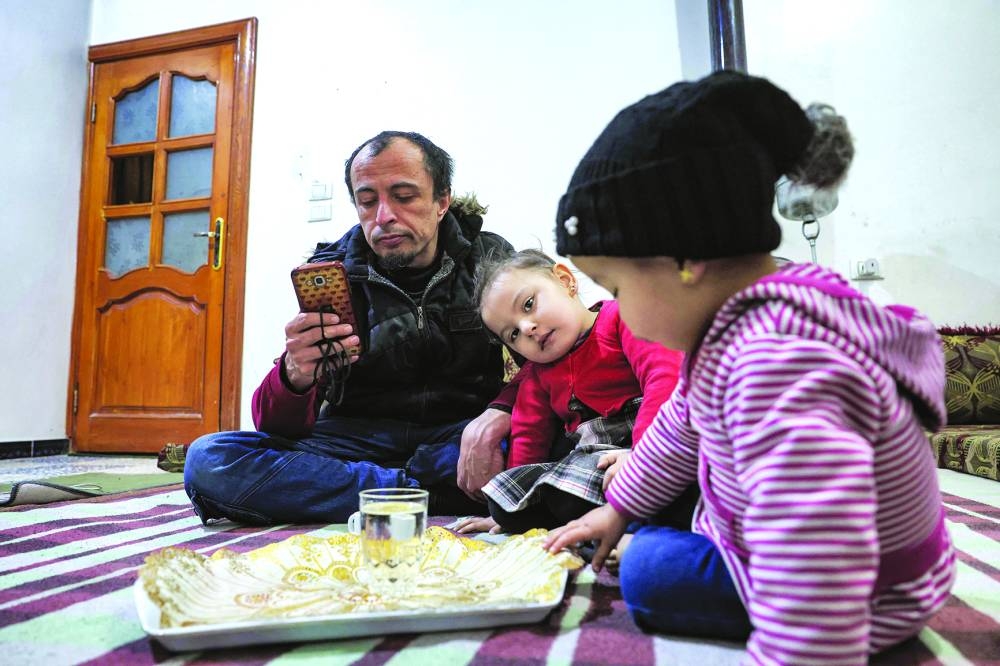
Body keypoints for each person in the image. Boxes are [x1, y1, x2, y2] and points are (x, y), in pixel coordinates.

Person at [544, 71, 956, 664]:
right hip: (856, 557)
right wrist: (619, 506)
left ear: (684, 259)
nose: (615, 310)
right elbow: (682, 424)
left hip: (869, 595)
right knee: (653, 516)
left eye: (615, 285)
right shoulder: (754, 314)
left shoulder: (775, 364)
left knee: (649, 570)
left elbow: (818, 554)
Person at [183, 131, 518, 524]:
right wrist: (294, 374)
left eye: (404, 196)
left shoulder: (489, 258)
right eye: (367, 200)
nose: (384, 217)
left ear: (442, 200)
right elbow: (275, 426)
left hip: (459, 435)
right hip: (353, 442)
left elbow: (544, 364)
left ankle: (378, 495)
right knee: (210, 460)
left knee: (563, 442)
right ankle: (421, 493)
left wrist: (501, 411)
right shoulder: (331, 271)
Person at [455, 249, 683, 535]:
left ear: (565, 281)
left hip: (653, 444)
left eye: (528, 304)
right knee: (506, 502)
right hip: (593, 461)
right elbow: (529, 435)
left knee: (570, 496)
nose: (527, 328)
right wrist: (510, 506)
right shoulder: (538, 376)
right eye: (512, 334)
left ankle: (638, 515)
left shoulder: (621, 317)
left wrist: (642, 454)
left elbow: (664, 379)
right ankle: (611, 516)